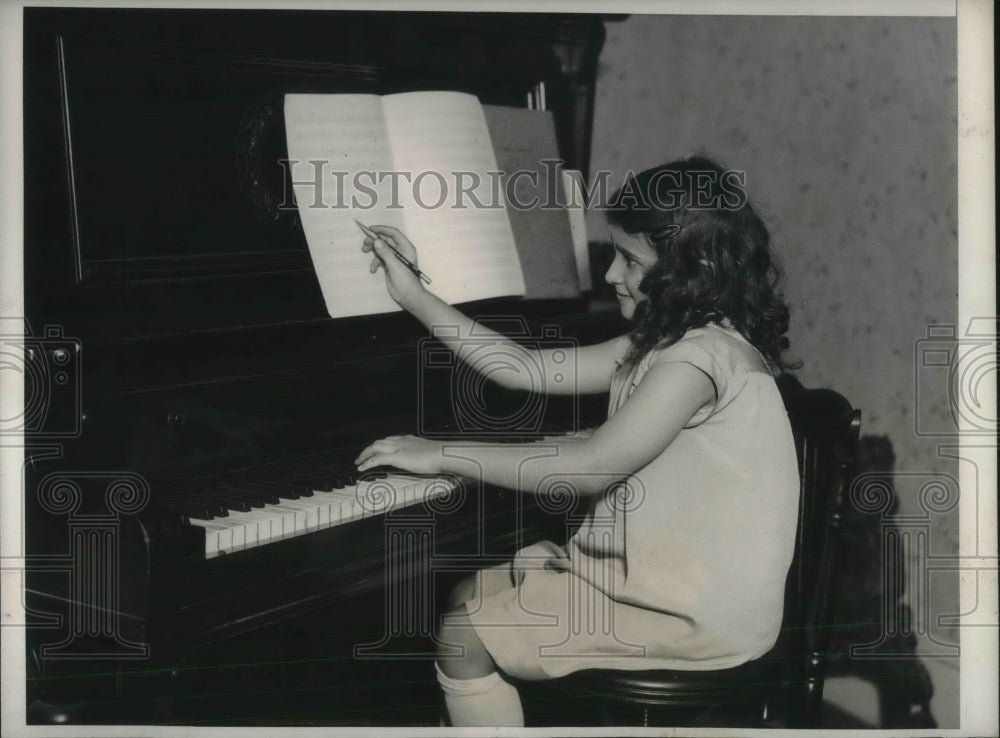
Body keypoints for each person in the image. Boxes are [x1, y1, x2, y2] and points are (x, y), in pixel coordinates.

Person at [355, 156, 801, 727]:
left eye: (631, 260)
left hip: (692, 611)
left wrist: (439, 452)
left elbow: (589, 467)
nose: (612, 274)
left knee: (462, 636)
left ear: (698, 268)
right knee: (471, 592)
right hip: (653, 581)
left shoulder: (701, 358)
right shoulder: (666, 341)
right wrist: (413, 293)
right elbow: (521, 367)